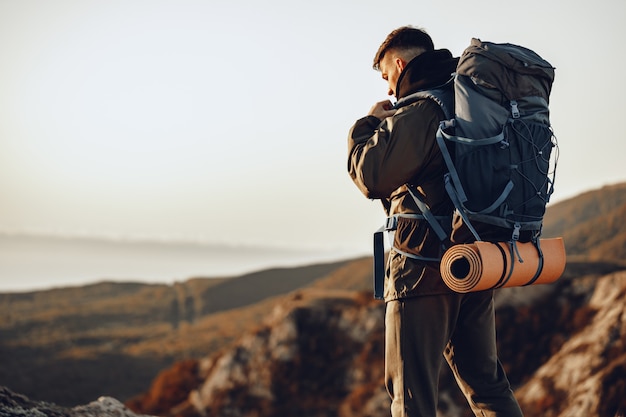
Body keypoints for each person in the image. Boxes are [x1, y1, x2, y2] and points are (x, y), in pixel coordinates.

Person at [347, 26, 524, 417]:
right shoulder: (465, 103)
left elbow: (370, 175)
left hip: (422, 268)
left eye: (386, 77)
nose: (390, 89)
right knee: (487, 386)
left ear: (399, 64)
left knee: (411, 397)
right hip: (473, 260)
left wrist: (367, 125)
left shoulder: (421, 109)